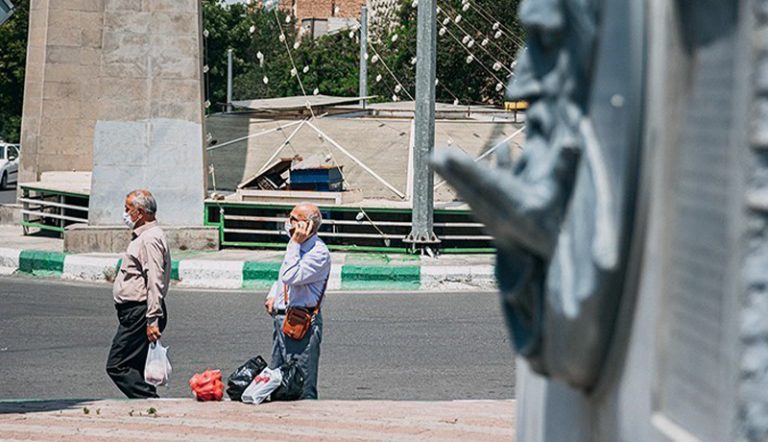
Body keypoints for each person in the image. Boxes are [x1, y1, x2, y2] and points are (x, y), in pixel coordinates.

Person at [106, 189, 171, 398]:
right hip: (135, 311)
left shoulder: (149, 239)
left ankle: (149, 401)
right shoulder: (144, 236)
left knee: (118, 365)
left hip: (140, 312)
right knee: (136, 366)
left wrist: (152, 319)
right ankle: (145, 406)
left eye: (128, 209)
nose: (125, 214)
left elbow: (155, 280)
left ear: (140, 212)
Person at [265, 203, 331, 399]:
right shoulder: (297, 246)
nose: (289, 222)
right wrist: (273, 294)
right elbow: (284, 277)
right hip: (283, 319)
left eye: (294, 219)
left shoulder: (318, 253)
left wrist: (294, 243)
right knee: (278, 382)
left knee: (300, 385)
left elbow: (291, 275)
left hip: (301, 324)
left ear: (308, 225)